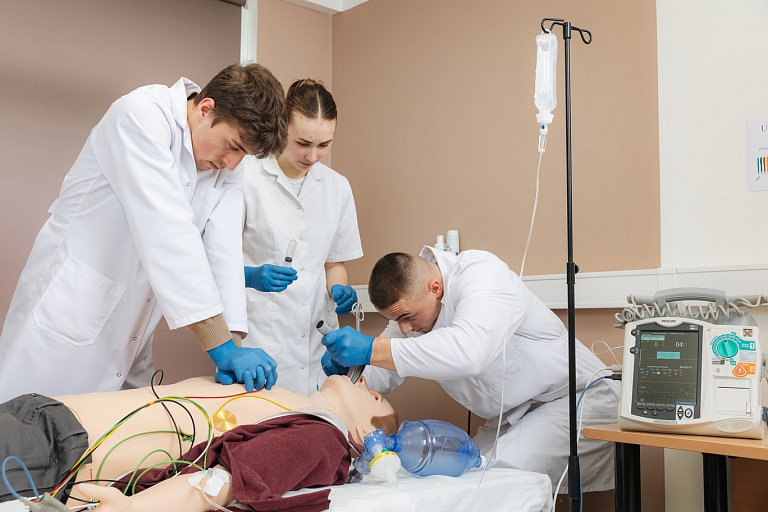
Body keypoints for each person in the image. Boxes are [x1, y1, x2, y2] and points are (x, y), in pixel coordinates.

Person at [0, 64, 287, 402]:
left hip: (133, 328)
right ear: (205, 109)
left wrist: (234, 345)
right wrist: (221, 348)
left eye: (244, 155)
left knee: (112, 429)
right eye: (233, 146)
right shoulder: (140, 116)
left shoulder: (225, 165)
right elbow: (169, 233)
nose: (233, 163)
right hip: (70, 312)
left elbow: (223, 250)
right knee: (26, 422)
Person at [320, 247, 620, 493]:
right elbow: (385, 366)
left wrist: (372, 350)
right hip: (512, 413)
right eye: (396, 321)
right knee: (455, 480)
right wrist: (350, 374)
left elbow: (469, 351)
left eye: (408, 317)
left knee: (492, 481)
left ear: (435, 288)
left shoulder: (482, 275)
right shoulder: (415, 310)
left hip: (573, 399)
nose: (405, 328)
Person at [0, 375, 397, 511]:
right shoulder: (285, 397)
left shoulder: (324, 436)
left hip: (55, 449)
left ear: (366, 437)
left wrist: (134, 508)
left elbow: (227, 479)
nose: (364, 382)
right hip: (40, 416)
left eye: (375, 397)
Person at [235, 79, 363, 395]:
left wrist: (339, 289)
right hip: (260, 337)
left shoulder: (337, 187)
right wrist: (252, 275)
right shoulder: (246, 175)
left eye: (324, 145)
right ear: (282, 127)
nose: (313, 156)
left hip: (318, 339)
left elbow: (333, 263)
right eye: (303, 143)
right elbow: (216, 259)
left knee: (317, 419)